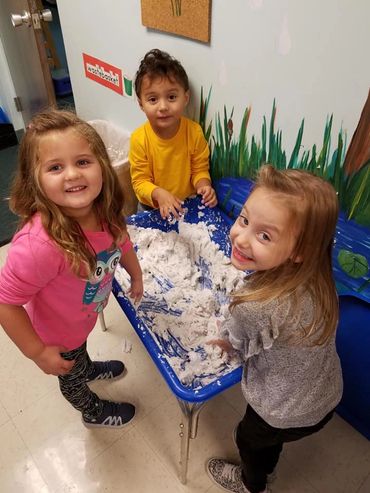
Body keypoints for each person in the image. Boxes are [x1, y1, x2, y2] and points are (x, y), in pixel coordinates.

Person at [0, 109, 143, 429]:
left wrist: (136, 273)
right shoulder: (39, 246)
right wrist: (37, 352)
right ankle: (91, 410)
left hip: (81, 319)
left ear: (102, 167)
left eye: (82, 162)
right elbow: (5, 302)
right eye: (55, 167)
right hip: (56, 336)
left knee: (80, 353)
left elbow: (123, 242)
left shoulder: (104, 210)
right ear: (34, 179)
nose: (73, 174)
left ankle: (88, 366)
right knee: (71, 377)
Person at [206, 164, 343, 493]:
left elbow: (235, 342)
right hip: (325, 395)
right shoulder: (320, 280)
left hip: (279, 410)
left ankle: (252, 483)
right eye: (244, 219)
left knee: (250, 442)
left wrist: (225, 340)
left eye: (264, 235)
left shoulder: (253, 306)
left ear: (299, 252)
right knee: (269, 440)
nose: (240, 237)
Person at [129, 48, 217, 219]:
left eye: (171, 97)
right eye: (153, 99)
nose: (163, 107)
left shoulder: (193, 132)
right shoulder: (139, 139)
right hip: (151, 207)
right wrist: (159, 194)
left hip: (186, 205)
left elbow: (199, 168)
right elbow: (139, 182)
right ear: (141, 104)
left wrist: (204, 186)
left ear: (185, 98)